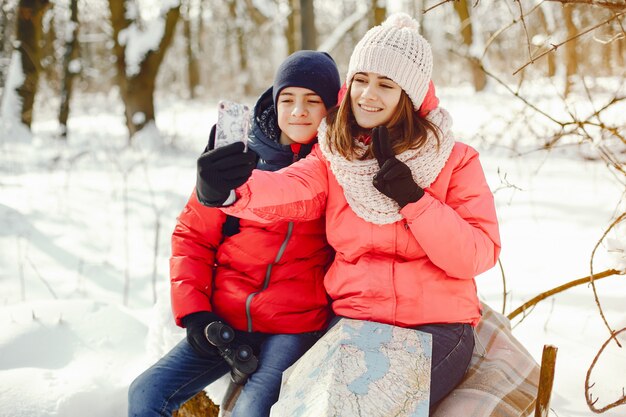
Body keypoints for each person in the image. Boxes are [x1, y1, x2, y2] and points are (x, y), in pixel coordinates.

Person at [196, 13, 501, 410]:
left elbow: (477, 254)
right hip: (353, 321)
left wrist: (415, 200)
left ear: (408, 96)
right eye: (360, 80)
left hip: (435, 326)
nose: (367, 95)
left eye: (385, 85)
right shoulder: (335, 156)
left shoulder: (455, 159)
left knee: (367, 408)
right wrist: (230, 190)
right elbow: (292, 189)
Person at [128, 50, 341, 417]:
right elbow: (192, 238)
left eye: (313, 101)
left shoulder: (339, 167)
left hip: (294, 325)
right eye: (287, 99)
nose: (298, 111)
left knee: (250, 410)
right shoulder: (236, 161)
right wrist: (195, 314)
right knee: (145, 394)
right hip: (226, 319)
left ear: (331, 109)